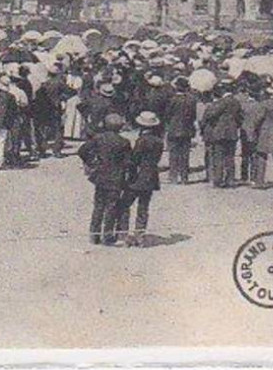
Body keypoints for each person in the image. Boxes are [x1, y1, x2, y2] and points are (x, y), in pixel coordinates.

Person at [78, 113, 132, 247]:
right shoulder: (124, 142)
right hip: (116, 177)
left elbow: (82, 151)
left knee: (98, 205)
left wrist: (91, 162)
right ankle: (107, 235)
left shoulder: (98, 138)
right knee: (111, 206)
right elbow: (128, 162)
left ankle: (94, 235)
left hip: (100, 175)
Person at [122, 111, 165, 245]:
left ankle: (123, 233)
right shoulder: (159, 141)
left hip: (138, 176)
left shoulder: (142, 141)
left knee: (125, 204)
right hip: (151, 176)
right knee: (143, 207)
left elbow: (135, 159)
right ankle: (140, 234)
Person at [203, 80, 241, 188]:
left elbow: (211, 115)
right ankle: (230, 180)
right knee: (230, 157)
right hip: (232, 132)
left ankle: (218, 180)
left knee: (218, 156)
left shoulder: (221, 102)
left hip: (220, 132)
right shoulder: (236, 102)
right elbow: (239, 118)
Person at [164, 78, 198, 184]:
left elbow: (167, 114)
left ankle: (173, 176)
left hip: (173, 128)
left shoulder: (172, 99)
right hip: (187, 128)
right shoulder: (192, 100)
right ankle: (184, 177)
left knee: (173, 153)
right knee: (185, 154)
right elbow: (193, 115)